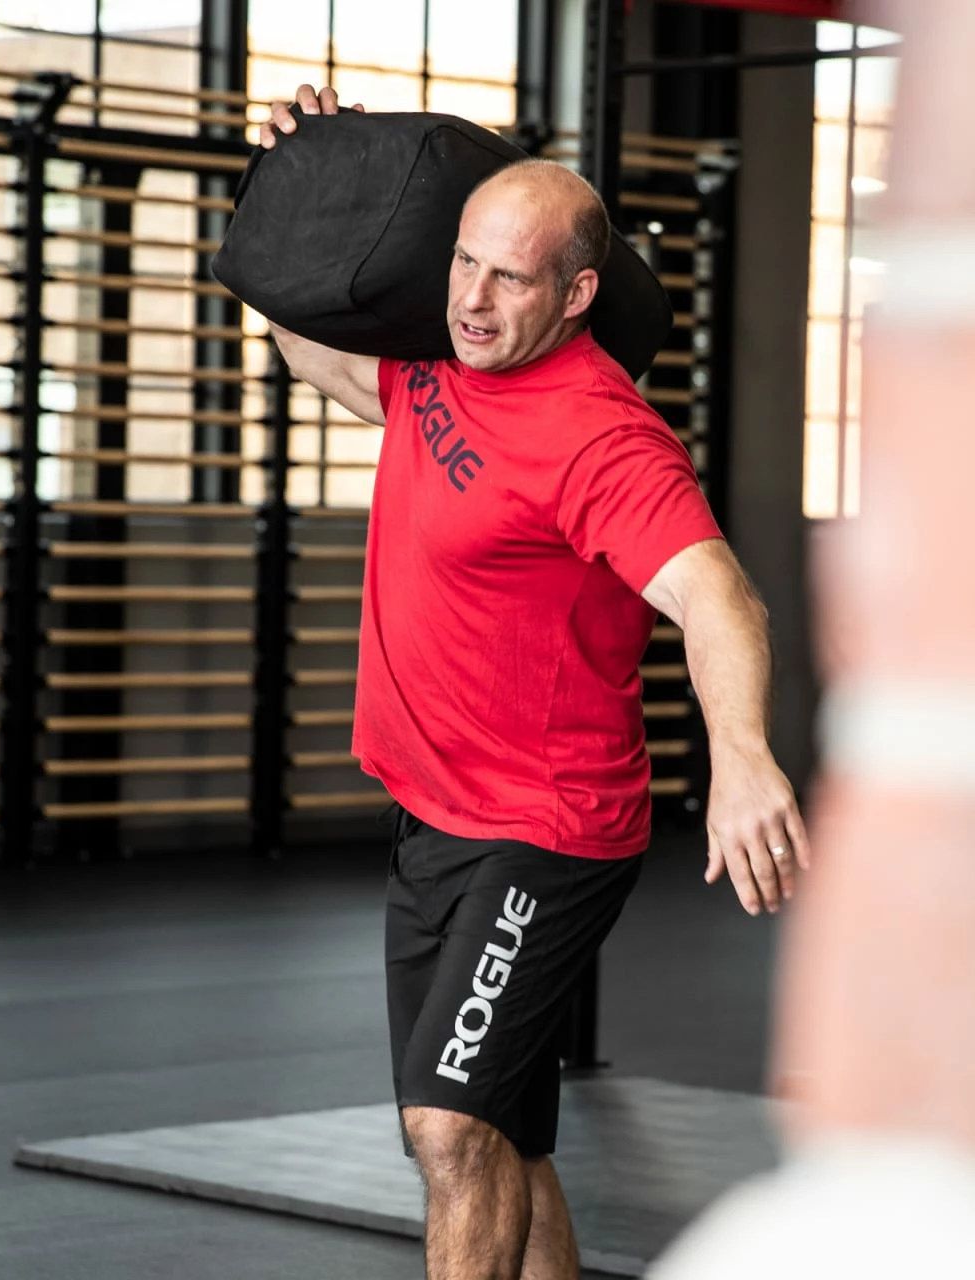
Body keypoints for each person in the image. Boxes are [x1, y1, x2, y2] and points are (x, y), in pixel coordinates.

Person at [257, 84, 810, 1280]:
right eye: (463, 262)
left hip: (544, 829)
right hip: (434, 819)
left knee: (448, 1128)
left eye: (508, 278)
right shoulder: (436, 366)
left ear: (576, 294)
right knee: (499, 1129)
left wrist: (742, 757)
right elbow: (309, 345)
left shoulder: (603, 438)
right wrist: (300, 180)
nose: (471, 297)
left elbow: (720, 595)